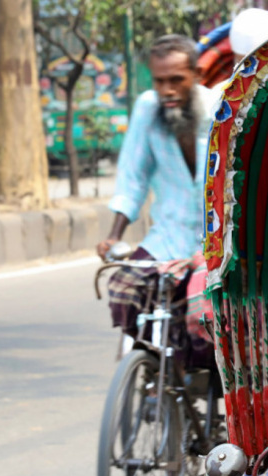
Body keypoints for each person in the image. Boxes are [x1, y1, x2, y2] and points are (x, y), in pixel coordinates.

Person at [96, 34, 218, 339]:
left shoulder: (219, 109)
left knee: (209, 320)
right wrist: (114, 236)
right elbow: (133, 175)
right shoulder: (147, 109)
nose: (167, 90)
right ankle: (148, 363)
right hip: (167, 237)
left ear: (197, 75)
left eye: (176, 80)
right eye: (159, 81)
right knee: (125, 294)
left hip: (217, 242)